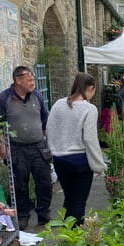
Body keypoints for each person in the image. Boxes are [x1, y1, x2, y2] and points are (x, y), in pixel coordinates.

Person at [0, 65, 52, 231]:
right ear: (18, 80)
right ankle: (23, 215)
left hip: (38, 146)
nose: (33, 82)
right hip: (16, 148)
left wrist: (50, 143)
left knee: (44, 181)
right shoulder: (4, 98)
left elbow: (45, 120)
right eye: (30, 79)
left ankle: (43, 213)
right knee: (19, 184)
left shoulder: (37, 97)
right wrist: (2, 145)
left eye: (33, 79)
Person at [46, 72, 106, 227]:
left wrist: (54, 150)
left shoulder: (58, 104)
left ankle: (67, 235)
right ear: (91, 88)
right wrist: (99, 164)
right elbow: (90, 139)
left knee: (69, 198)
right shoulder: (89, 109)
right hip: (80, 160)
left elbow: (49, 129)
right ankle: (76, 241)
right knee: (79, 202)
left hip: (60, 160)